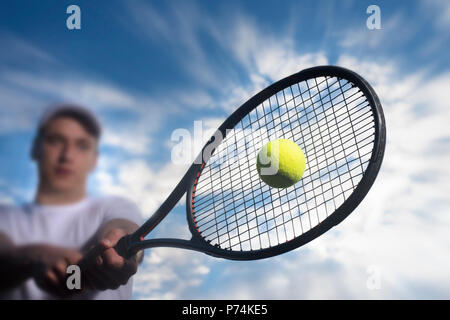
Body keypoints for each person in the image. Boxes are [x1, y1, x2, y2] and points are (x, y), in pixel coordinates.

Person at [0, 104, 144, 299]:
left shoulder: (115, 206)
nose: (67, 156)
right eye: (55, 141)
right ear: (35, 148)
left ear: (94, 159)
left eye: (82, 145)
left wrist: (122, 248)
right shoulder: (6, 217)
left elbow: (124, 226)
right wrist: (36, 255)